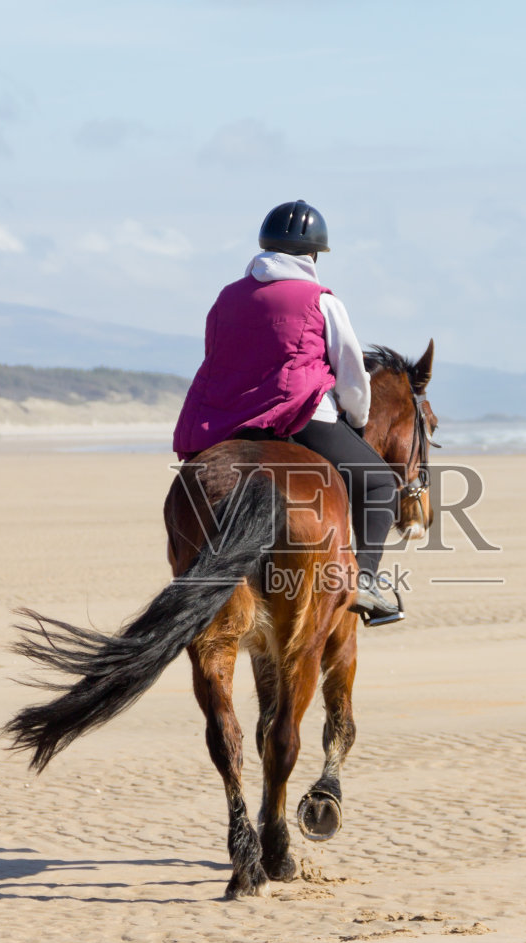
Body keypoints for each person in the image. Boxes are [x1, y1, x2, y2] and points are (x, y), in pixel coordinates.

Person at [173, 200, 403, 626]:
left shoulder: (226, 298)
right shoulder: (323, 301)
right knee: (379, 484)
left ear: (264, 247)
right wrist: (355, 421)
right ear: (314, 254)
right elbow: (352, 377)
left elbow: (217, 358)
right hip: (299, 413)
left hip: (228, 419)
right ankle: (366, 580)